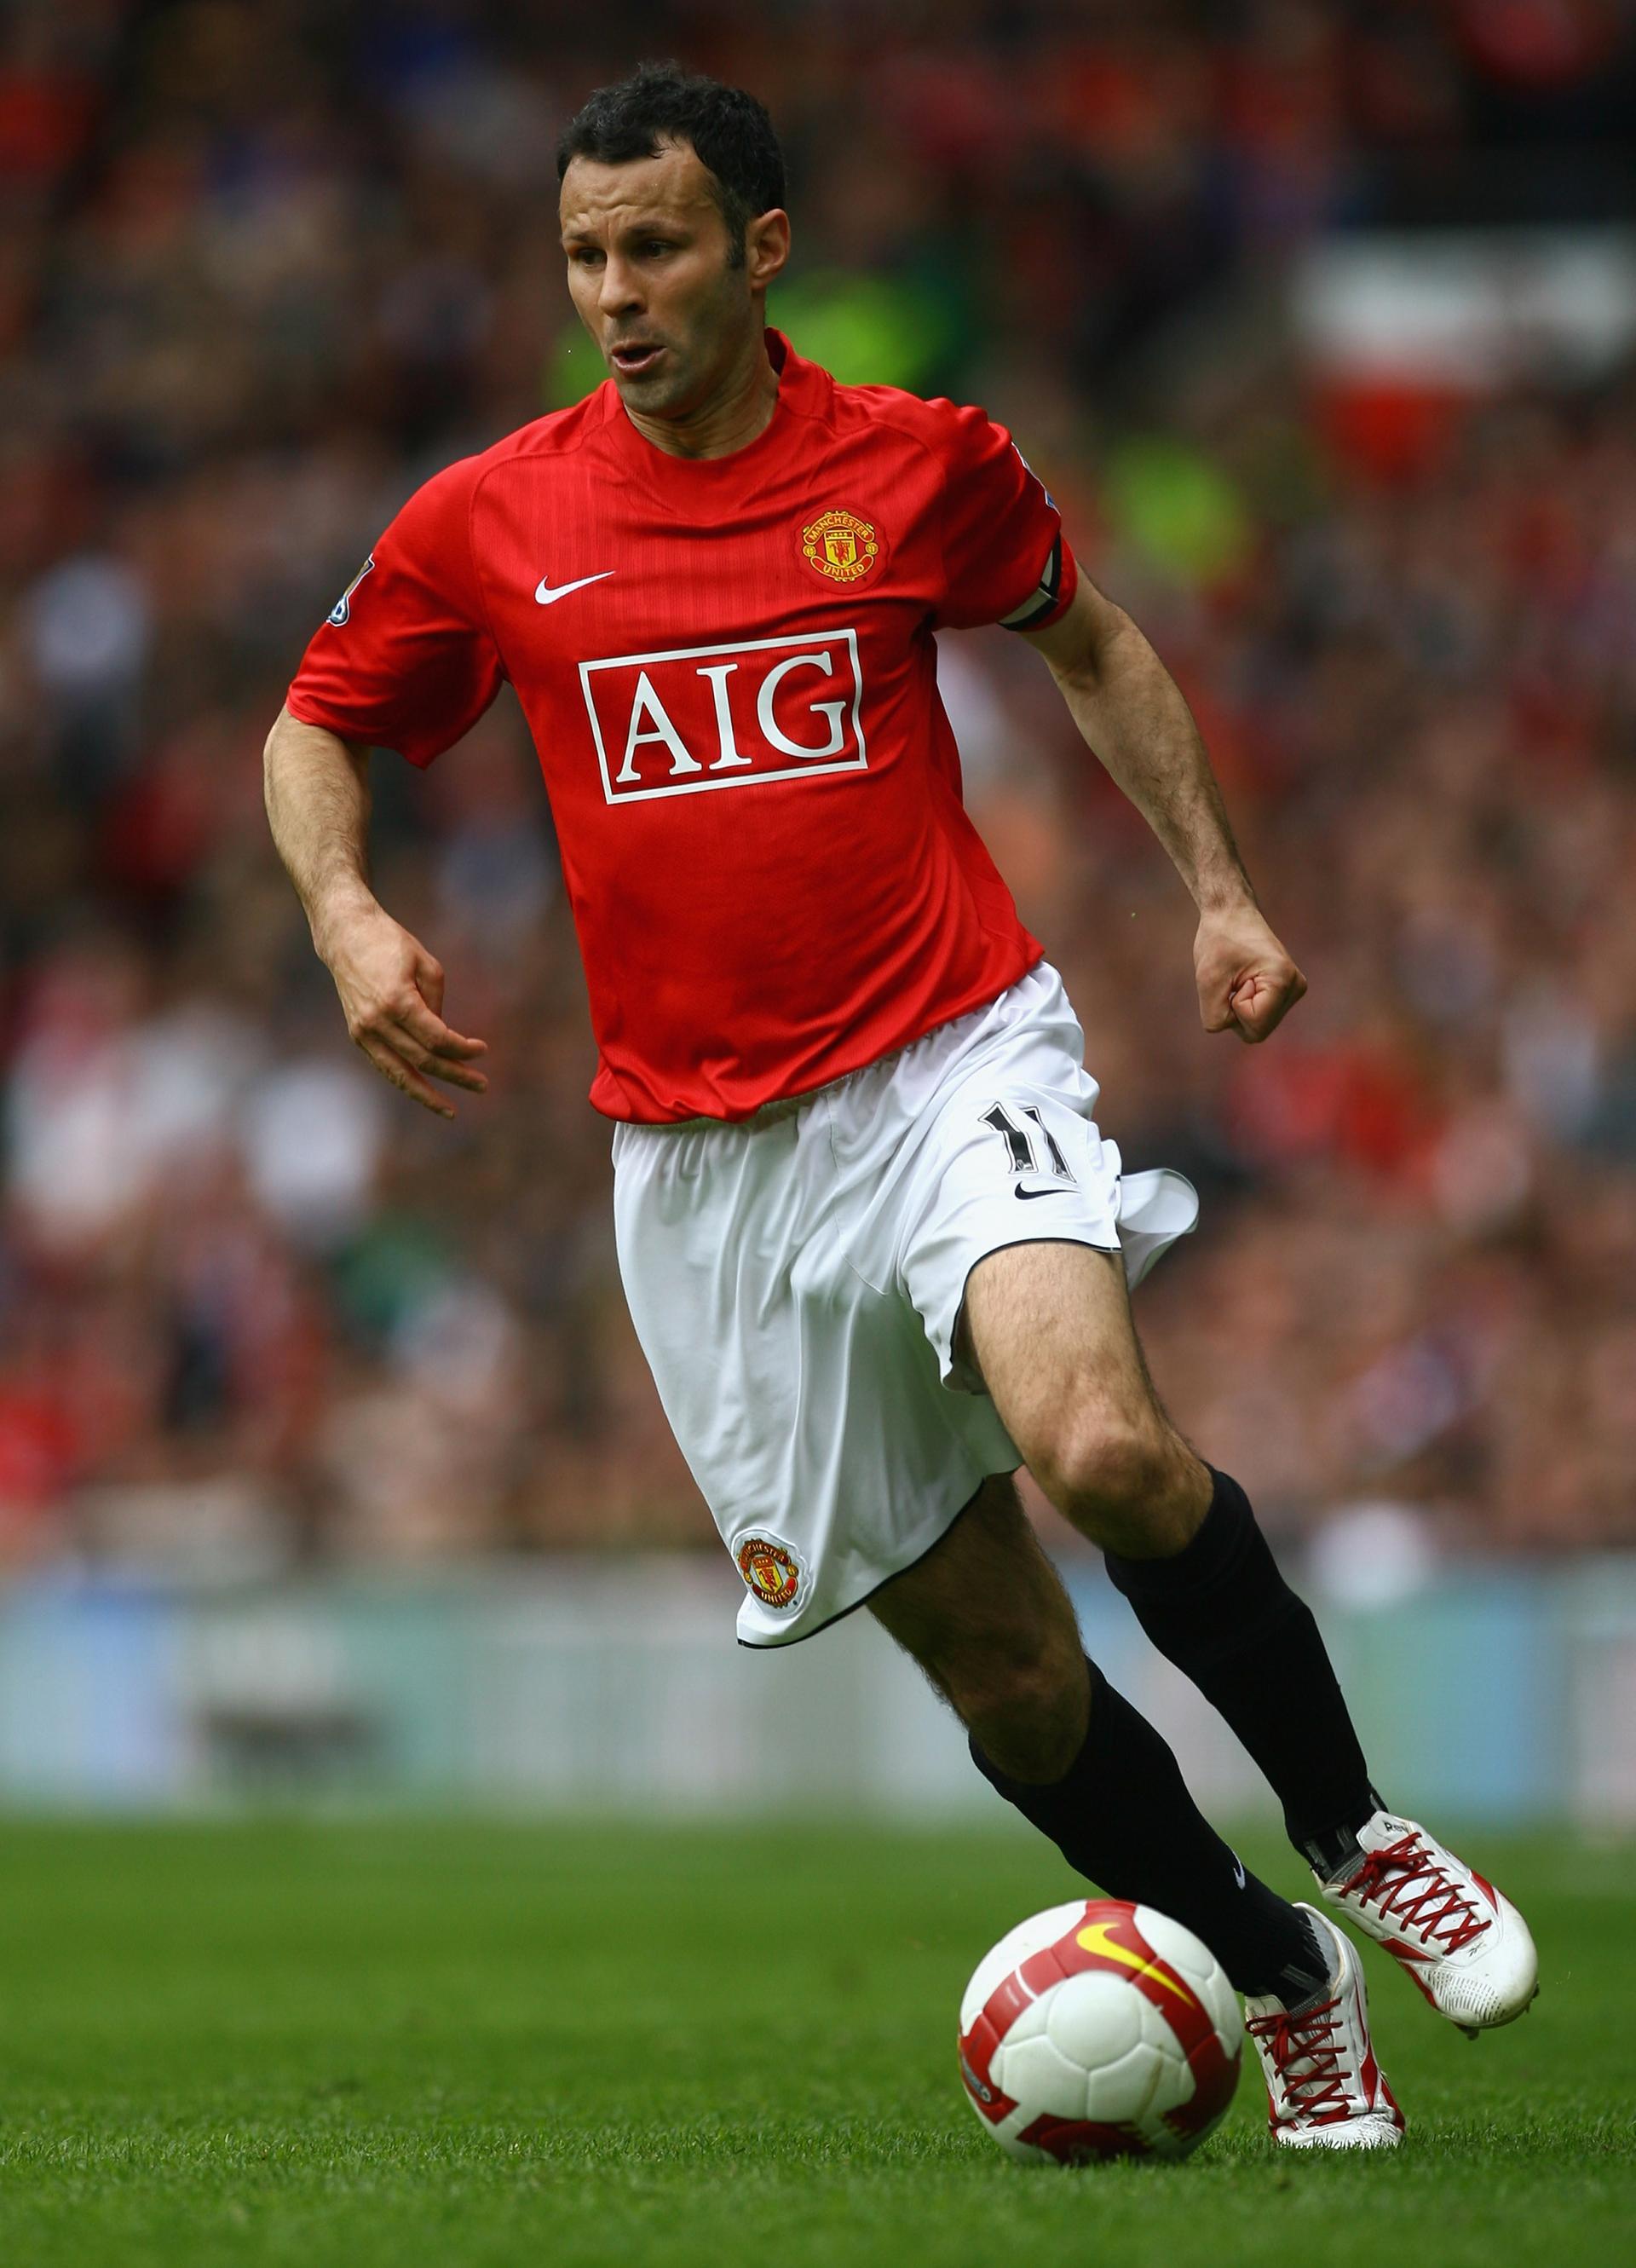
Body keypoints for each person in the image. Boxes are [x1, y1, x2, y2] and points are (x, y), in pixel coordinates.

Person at [264, 61, 1537, 2150]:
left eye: (655, 244)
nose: (615, 290)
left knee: (1107, 1443)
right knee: (1011, 1679)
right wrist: (344, 916)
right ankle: (1278, 1968)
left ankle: (1361, 1831)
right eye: (584, 253)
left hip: (952, 1052)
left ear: (761, 252)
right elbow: (313, 731)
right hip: (703, 1170)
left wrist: (1218, 887)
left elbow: (1094, 643)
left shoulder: (920, 465)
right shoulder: (493, 515)